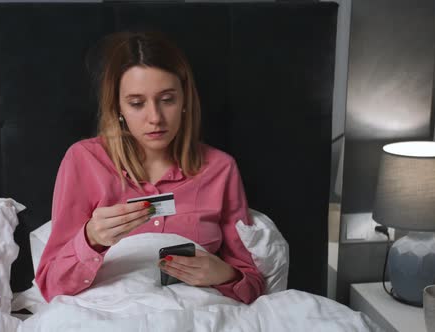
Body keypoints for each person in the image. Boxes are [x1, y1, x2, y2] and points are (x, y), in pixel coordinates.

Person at [35, 31, 265, 305]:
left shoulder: (220, 168)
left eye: (167, 99)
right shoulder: (84, 161)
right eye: (136, 103)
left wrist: (225, 274)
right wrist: (92, 237)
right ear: (117, 107)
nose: (155, 118)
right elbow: (50, 285)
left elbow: (253, 284)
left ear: (184, 101)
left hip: (194, 312)